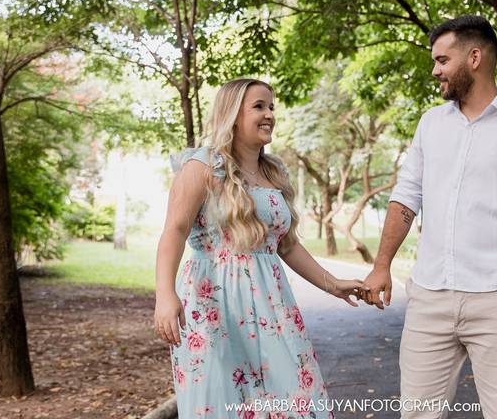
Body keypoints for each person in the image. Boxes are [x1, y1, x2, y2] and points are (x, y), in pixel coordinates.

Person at [362, 15, 497, 419]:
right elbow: (406, 197)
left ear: (474, 58)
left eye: (442, 60)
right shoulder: (431, 125)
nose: (435, 71)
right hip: (430, 297)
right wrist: (381, 265)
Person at [154, 78, 364, 418]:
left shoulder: (273, 172)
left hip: (272, 305)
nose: (269, 115)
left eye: (271, 107)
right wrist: (165, 294)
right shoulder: (202, 166)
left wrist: (333, 284)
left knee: (294, 399)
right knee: (222, 403)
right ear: (233, 115)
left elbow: (287, 245)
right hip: (214, 303)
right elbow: (174, 231)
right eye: (259, 107)